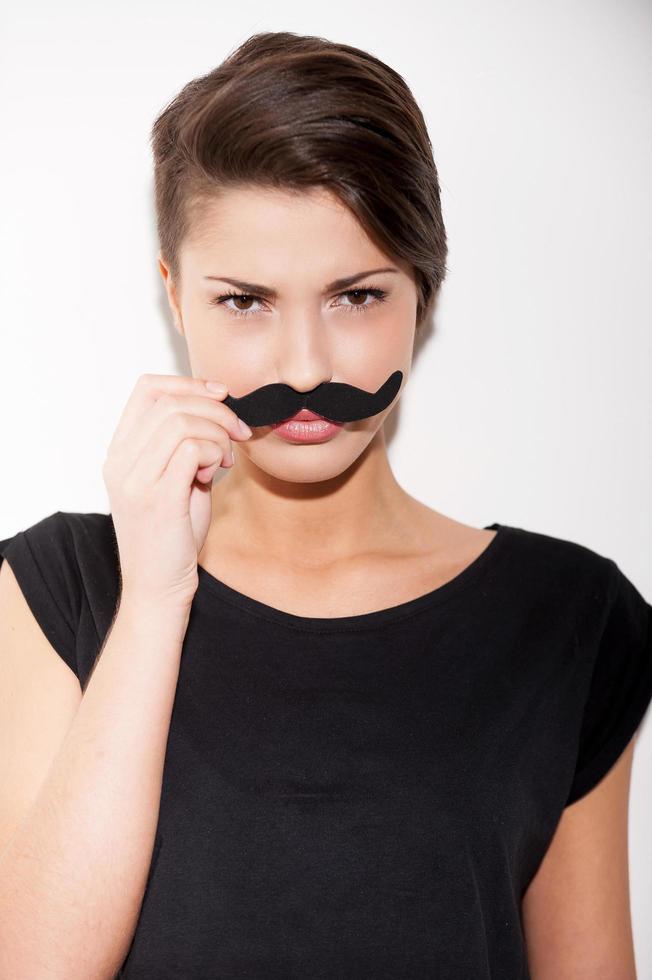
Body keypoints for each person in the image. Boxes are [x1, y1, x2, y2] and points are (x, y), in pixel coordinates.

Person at [0, 30, 650, 980]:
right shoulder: (59, 590)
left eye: (354, 296)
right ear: (176, 296)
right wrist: (150, 602)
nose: (304, 368)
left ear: (422, 293)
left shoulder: (568, 620)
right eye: (245, 303)